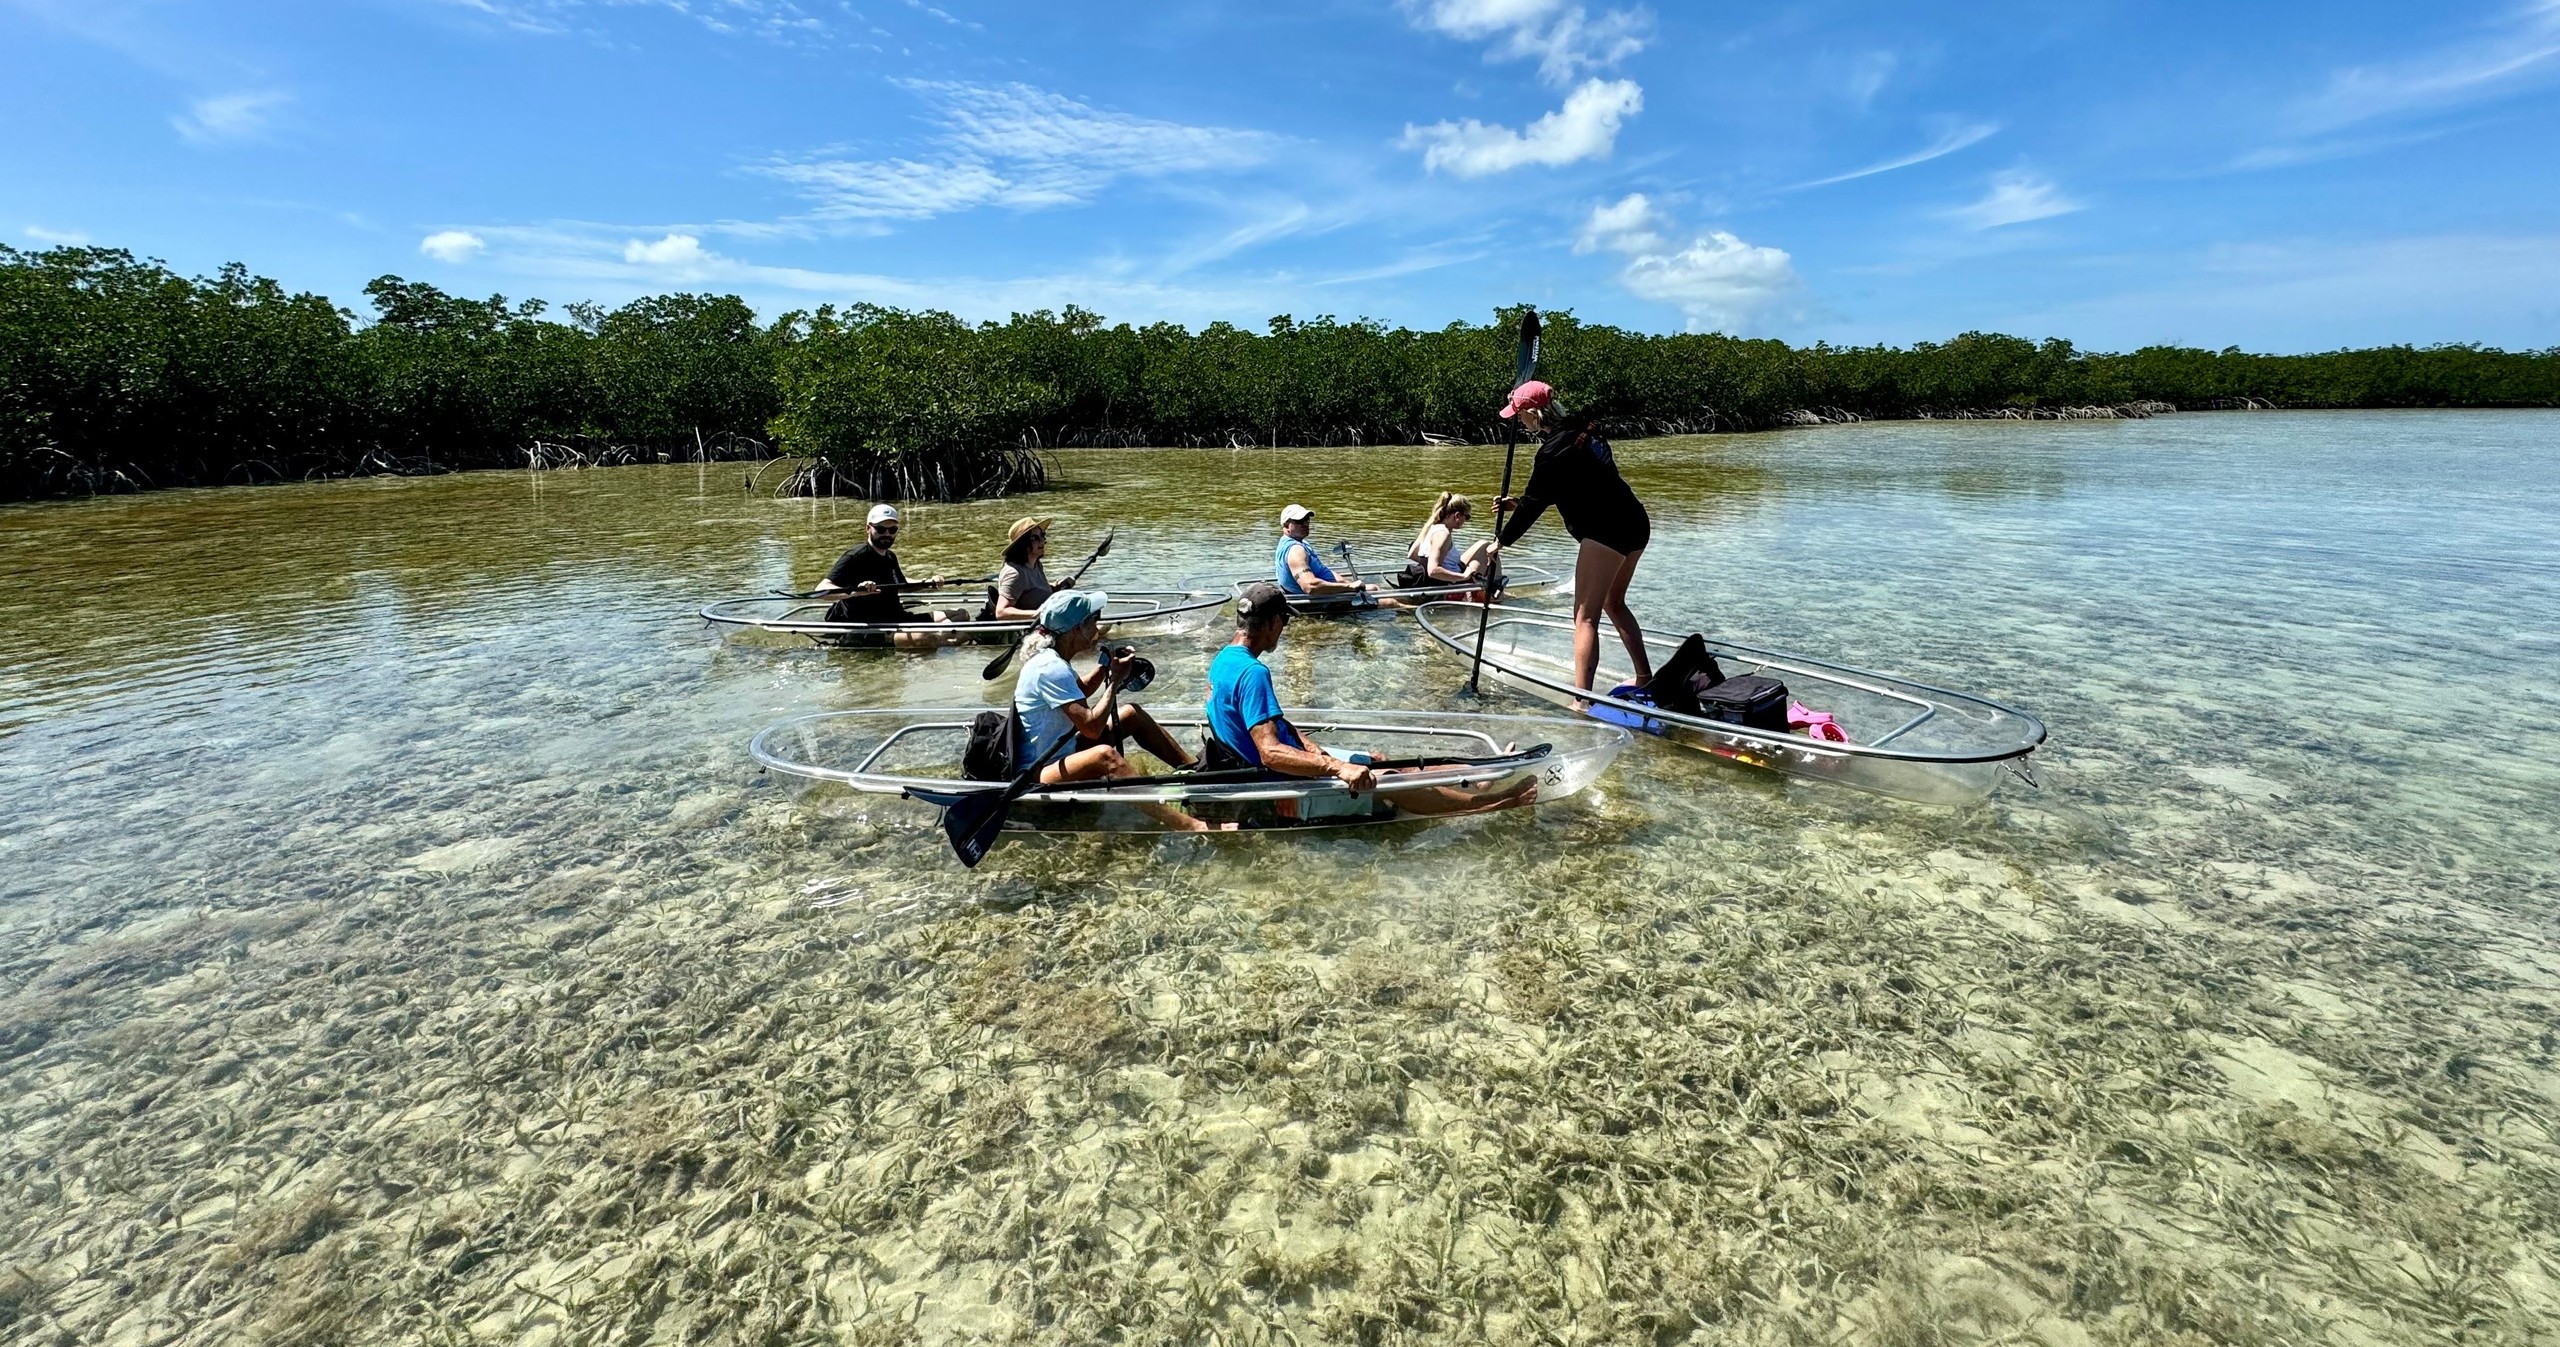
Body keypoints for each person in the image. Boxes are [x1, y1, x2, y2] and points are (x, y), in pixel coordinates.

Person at [1205, 584, 1533, 816]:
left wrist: (1310, 746)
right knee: (1387, 781)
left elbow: (1265, 724)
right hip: (1284, 784)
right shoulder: (1253, 673)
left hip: (1292, 765)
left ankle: (1477, 779)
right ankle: (1497, 804)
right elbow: (1270, 752)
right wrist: (1336, 766)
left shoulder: (1223, 661)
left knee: (1379, 759)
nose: (1284, 629)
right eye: (1285, 621)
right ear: (1273, 622)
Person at [1488, 380, 1655, 701]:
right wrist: (1517, 502)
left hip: (1606, 531)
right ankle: (1645, 677)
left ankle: (1582, 701)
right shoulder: (1585, 432)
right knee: (1614, 603)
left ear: (1535, 415)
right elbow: (1570, 485)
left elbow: (1535, 505)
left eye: (1520, 416)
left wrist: (1501, 541)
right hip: (1635, 522)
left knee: (1585, 617)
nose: (1519, 423)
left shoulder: (1551, 451)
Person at [1014, 590, 1224, 832]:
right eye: (1094, 618)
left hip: (1062, 752)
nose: (1097, 624)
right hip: (1039, 772)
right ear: (1077, 629)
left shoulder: (1052, 659)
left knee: (1131, 714)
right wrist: (1115, 682)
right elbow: (1091, 728)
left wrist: (1107, 668)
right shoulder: (1050, 668)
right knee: (1104, 755)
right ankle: (1189, 825)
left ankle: (1199, 776)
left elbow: (1077, 691)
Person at [813, 504, 967, 649]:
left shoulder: (890, 557)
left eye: (892, 530)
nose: (886, 534)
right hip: (869, 627)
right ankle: (941, 642)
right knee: (924, 637)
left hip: (897, 617)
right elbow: (821, 590)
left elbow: (901, 584)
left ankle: (942, 642)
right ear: (868, 528)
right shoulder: (854, 557)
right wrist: (855, 592)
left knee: (962, 616)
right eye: (880, 529)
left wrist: (928, 583)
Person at [1271, 504, 1377, 602]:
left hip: (1328, 594)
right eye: (1299, 521)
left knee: (1374, 588)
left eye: (1306, 520)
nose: (1305, 524)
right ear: (1286, 525)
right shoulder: (1296, 550)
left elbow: (1321, 570)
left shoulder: (1300, 543)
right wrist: (1349, 587)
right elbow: (1310, 586)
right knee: (1389, 602)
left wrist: (1347, 583)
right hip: (1320, 601)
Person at [1399, 491, 1498, 592]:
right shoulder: (1443, 534)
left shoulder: (1432, 526)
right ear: (1457, 515)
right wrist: (1463, 576)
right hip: (1452, 583)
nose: (1466, 521)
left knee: (1485, 545)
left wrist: (1442, 562)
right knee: (1488, 548)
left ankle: (1492, 590)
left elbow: (1412, 554)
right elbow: (1433, 571)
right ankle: (1497, 593)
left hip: (1451, 573)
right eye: (1467, 517)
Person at [991, 516, 1053, 620]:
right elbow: (1001, 612)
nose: (1042, 540)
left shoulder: (1036, 565)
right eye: (1035, 538)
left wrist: (1059, 587)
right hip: (1030, 630)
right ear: (1022, 544)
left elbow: (1036, 592)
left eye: (1042, 535)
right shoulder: (1014, 573)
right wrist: (1037, 614)